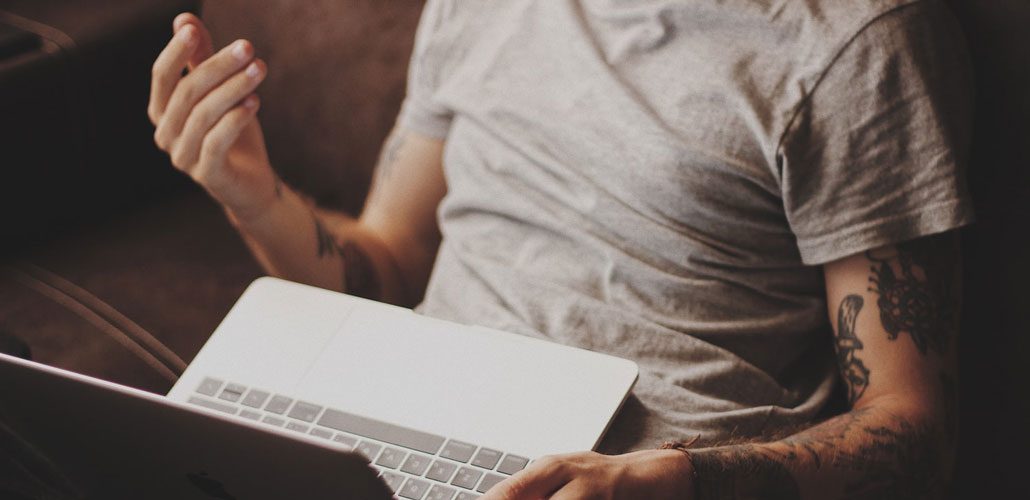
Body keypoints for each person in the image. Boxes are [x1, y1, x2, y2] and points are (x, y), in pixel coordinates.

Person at [148, 0, 972, 497]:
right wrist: (252, 194)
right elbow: (386, 263)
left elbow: (915, 434)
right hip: (425, 438)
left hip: (664, 469)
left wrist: (681, 484)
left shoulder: (857, 41)